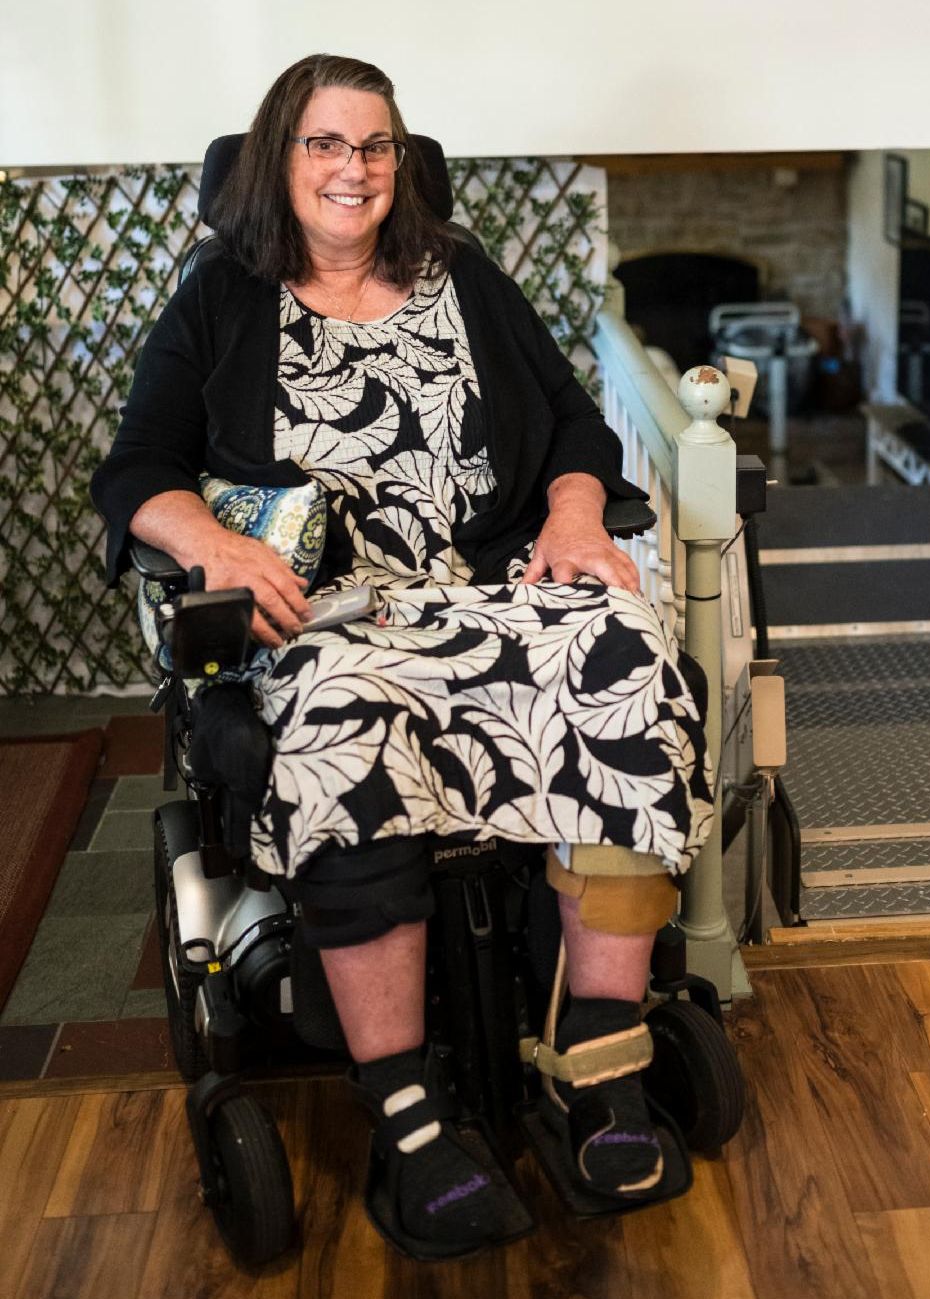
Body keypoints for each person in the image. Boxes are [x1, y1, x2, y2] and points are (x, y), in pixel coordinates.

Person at [91, 53, 711, 1254]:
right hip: (321, 620)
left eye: (374, 146)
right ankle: (408, 1114)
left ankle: (599, 1056)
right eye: (326, 144)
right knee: (340, 712)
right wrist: (211, 541)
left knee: (625, 651)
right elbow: (136, 474)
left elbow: (574, 422)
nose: (354, 169)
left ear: (400, 163)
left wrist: (577, 512)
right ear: (282, 159)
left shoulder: (460, 276)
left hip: (484, 591)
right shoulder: (224, 295)